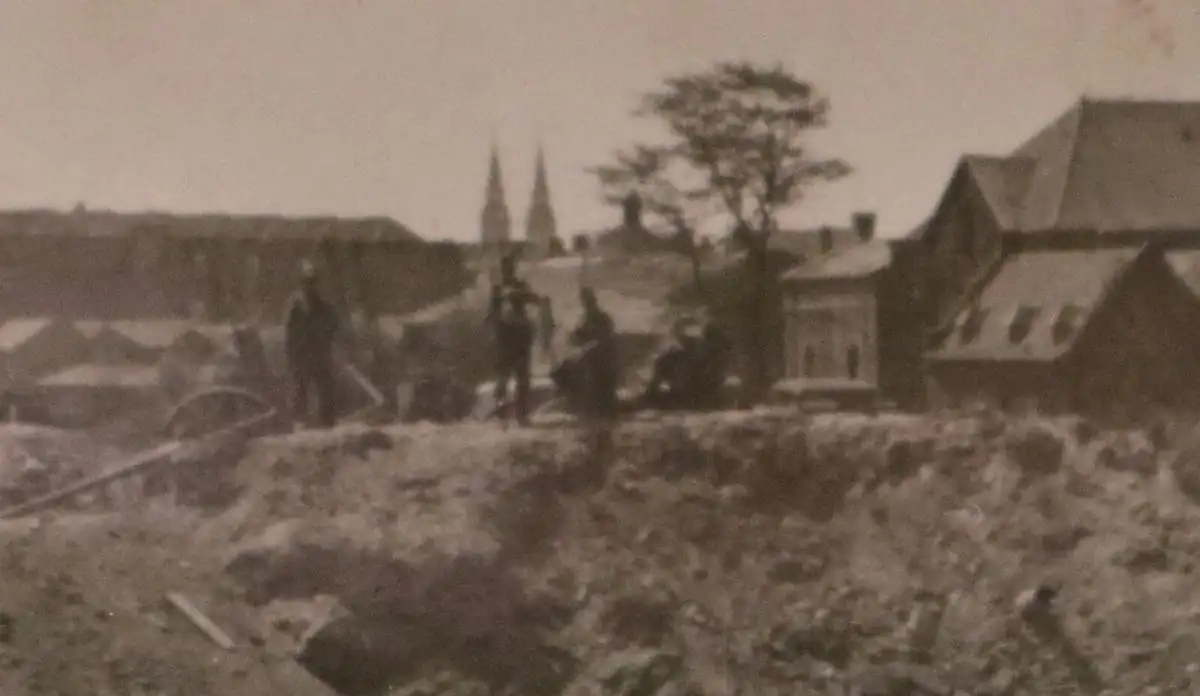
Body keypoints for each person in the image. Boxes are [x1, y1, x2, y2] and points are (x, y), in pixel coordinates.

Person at [285, 262, 340, 428]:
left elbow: (333, 324)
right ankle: (299, 421)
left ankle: (327, 420)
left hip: (319, 353)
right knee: (300, 388)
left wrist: (328, 344)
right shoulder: (295, 306)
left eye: (312, 282)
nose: (309, 286)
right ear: (301, 283)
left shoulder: (323, 306)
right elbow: (289, 332)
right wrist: (292, 354)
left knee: (325, 385)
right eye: (306, 282)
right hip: (302, 354)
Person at [488, 254, 538, 425]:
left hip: (519, 338)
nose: (507, 271)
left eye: (509, 268)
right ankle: (502, 413)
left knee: (522, 379)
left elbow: (534, 299)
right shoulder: (499, 289)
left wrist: (521, 295)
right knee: (504, 379)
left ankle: (521, 414)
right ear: (503, 270)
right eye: (505, 268)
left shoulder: (519, 286)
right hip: (506, 338)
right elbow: (493, 314)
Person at [568, 287, 619, 419]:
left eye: (589, 302)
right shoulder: (586, 319)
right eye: (586, 303)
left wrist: (587, 346)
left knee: (604, 395)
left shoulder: (602, 318)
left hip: (604, 362)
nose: (587, 306)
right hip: (593, 364)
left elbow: (606, 338)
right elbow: (575, 339)